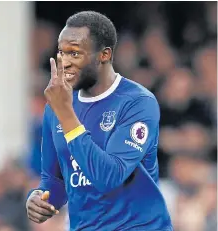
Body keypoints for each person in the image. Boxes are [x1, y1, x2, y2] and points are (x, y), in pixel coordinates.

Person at [26, 11, 173, 231]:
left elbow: (108, 177)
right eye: (61, 53)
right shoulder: (56, 107)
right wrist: (40, 199)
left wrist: (66, 114)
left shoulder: (138, 102)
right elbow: (54, 180)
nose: (64, 62)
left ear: (103, 55)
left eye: (74, 53)